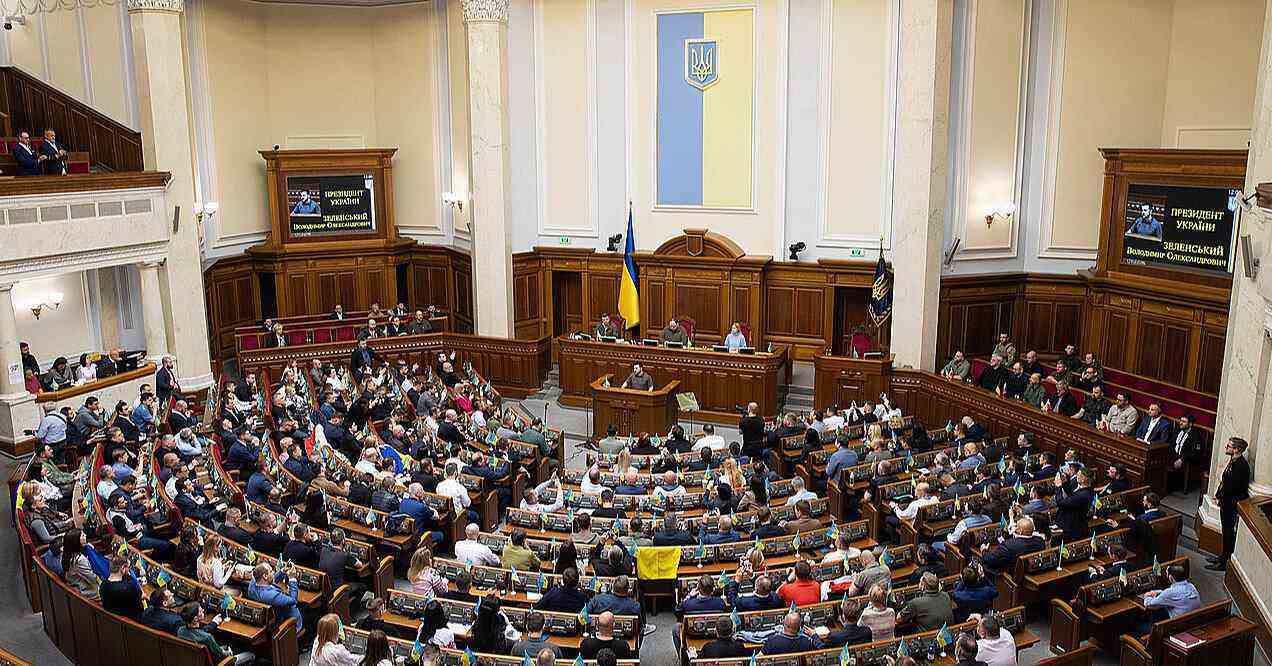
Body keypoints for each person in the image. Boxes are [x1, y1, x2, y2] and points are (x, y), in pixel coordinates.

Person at [1209, 437, 1251, 571]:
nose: (1226, 447)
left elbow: (1234, 488)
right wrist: (1218, 495)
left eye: (1229, 446)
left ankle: (1224, 562)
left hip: (1231, 505)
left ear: (1236, 449)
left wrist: (1222, 498)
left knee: (1228, 533)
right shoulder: (1233, 461)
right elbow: (1225, 481)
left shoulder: (1241, 466)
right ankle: (1222, 557)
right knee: (1225, 531)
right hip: (1226, 502)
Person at [180, 604, 256, 665]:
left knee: (225, 644)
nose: (203, 610)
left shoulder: (180, 630)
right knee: (251, 654)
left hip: (195, 661)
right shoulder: (207, 638)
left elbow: (198, 633)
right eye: (200, 611)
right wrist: (229, 651)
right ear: (195, 619)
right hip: (221, 662)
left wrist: (214, 623)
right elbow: (223, 656)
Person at [247, 562, 303, 632]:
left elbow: (270, 581)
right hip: (290, 622)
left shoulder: (253, 585)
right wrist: (292, 579)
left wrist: (282, 571)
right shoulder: (270, 595)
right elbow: (294, 600)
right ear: (265, 576)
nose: (273, 572)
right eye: (271, 571)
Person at [1054, 469, 1096, 541]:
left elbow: (1061, 503)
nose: (1076, 476)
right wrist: (1065, 483)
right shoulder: (1085, 490)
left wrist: (1058, 487)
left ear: (1084, 479)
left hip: (1073, 528)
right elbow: (1072, 496)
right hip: (1073, 524)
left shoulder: (1084, 494)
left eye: (1078, 475)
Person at [100, 554, 143, 619]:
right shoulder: (128, 589)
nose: (129, 570)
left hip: (109, 619)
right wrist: (142, 596)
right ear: (123, 568)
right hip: (130, 620)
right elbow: (139, 607)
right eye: (128, 567)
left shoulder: (103, 584)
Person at [1169, 414, 1203, 492]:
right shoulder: (1177, 430)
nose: (1180, 423)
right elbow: (1171, 444)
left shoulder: (1196, 436)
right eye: (1180, 420)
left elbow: (1195, 453)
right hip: (1174, 455)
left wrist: (1181, 459)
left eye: (1184, 422)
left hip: (1186, 459)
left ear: (1190, 424)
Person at [61, 529, 98, 599]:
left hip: (78, 583)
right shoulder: (80, 560)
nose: (85, 536)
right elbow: (93, 578)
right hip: (88, 590)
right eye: (83, 535)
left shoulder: (67, 552)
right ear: (77, 541)